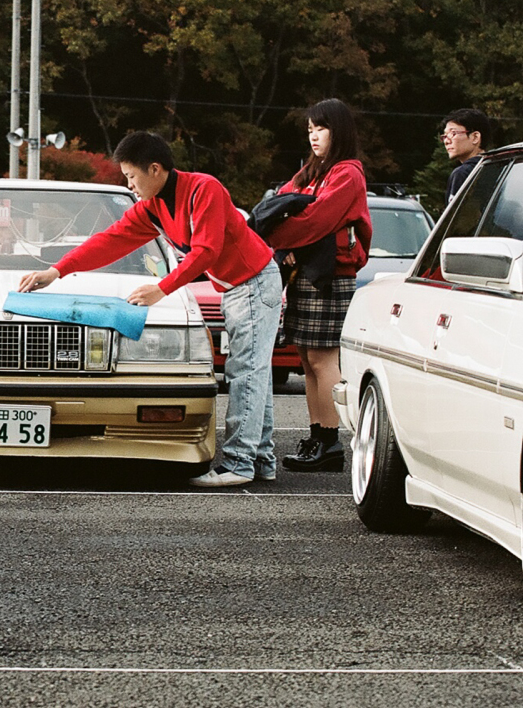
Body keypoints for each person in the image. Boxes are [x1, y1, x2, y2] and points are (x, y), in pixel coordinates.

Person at [18, 131, 281, 487]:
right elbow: (109, 240)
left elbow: (207, 251)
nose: (129, 185)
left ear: (155, 169)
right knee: (253, 372)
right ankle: (260, 460)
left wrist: (161, 288)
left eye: (131, 176)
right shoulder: (154, 207)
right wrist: (56, 270)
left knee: (245, 371)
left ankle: (240, 463)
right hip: (238, 286)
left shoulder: (205, 189)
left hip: (254, 282)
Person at [266, 98, 372, 472]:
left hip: (333, 274)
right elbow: (278, 202)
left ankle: (330, 442)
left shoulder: (347, 173)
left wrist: (285, 238)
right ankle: (317, 435)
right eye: (310, 129)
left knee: (324, 358)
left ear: (338, 130)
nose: (313, 136)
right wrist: (288, 241)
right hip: (308, 271)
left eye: (321, 128)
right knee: (308, 359)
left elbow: (315, 219)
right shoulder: (314, 171)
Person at [441, 108, 490, 205]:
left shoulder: (463, 174)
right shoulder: (499, 167)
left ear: (475, 137)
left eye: (453, 133)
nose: (446, 141)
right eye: (445, 136)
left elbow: (459, 219)